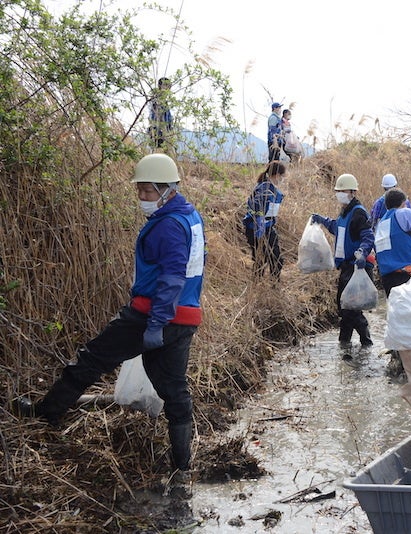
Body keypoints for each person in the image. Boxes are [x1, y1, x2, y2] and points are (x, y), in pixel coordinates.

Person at [11, 154, 206, 476]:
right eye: (139, 189)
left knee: (92, 359)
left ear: (168, 189)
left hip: (151, 316)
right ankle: (182, 466)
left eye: (147, 190)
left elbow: (172, 277)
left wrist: (155, 324)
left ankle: (46, 414)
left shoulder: (168, 226)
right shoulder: (189, 216)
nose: (141, 196)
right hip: (185, 319)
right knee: (174, 389)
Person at [311, 174, 375, 347]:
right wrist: (323, 221)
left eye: (343, 191)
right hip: (347, 267)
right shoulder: (345, 212)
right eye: (337, 191)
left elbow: (368, 236)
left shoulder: (358, 213)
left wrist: (362, 252)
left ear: (352, 192)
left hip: (357, 267)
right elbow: (338, 229)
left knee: (350, 308)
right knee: (344, 306)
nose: (339, 194)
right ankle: (344, 343)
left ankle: (366, 343)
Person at [374, 189, 411, 296]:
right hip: (406, 275)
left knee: (395, 306)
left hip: (387, 278)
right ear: (403, 203)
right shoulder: (404, 213)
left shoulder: (381, 223)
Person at [242, 161, 286, 278]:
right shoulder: (264, 190)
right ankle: (258, 282)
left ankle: (273, 283)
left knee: (275, 258)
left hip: (268, 227)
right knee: (261, 259)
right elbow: (256, 208)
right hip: (257, 229)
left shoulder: (271, 189)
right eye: (282, 176)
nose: (282, 179)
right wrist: (259, 225)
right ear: (277, 175)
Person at [148, 77, 173, 150]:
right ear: (160, 86)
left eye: (169, 87)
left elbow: (169, 120)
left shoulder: (165, 103)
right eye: (165, 85)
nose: (167, 89)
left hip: (166, 134)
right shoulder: (156, 100)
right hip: (158, 133)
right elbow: (155, 118)